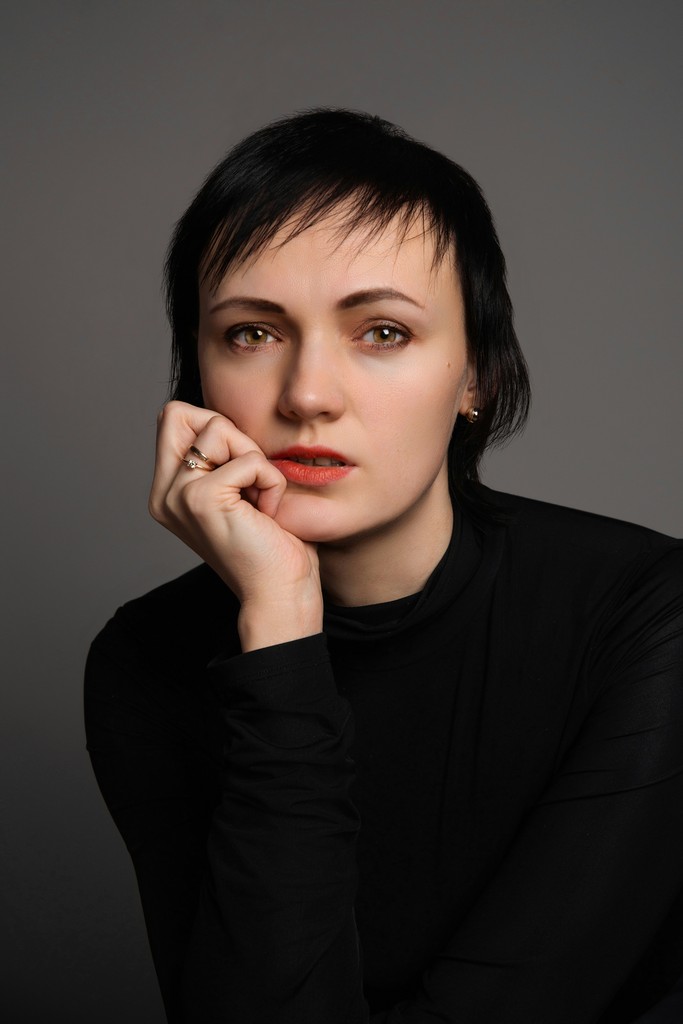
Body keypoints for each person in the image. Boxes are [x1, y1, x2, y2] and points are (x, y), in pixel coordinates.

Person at [84, 109, 683, 1024]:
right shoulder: (145, 661)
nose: (308, 396)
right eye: (251, 332)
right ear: (196, 379)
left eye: (383, 333)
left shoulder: (643, 614)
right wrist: (281, 624)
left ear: (476, 373)